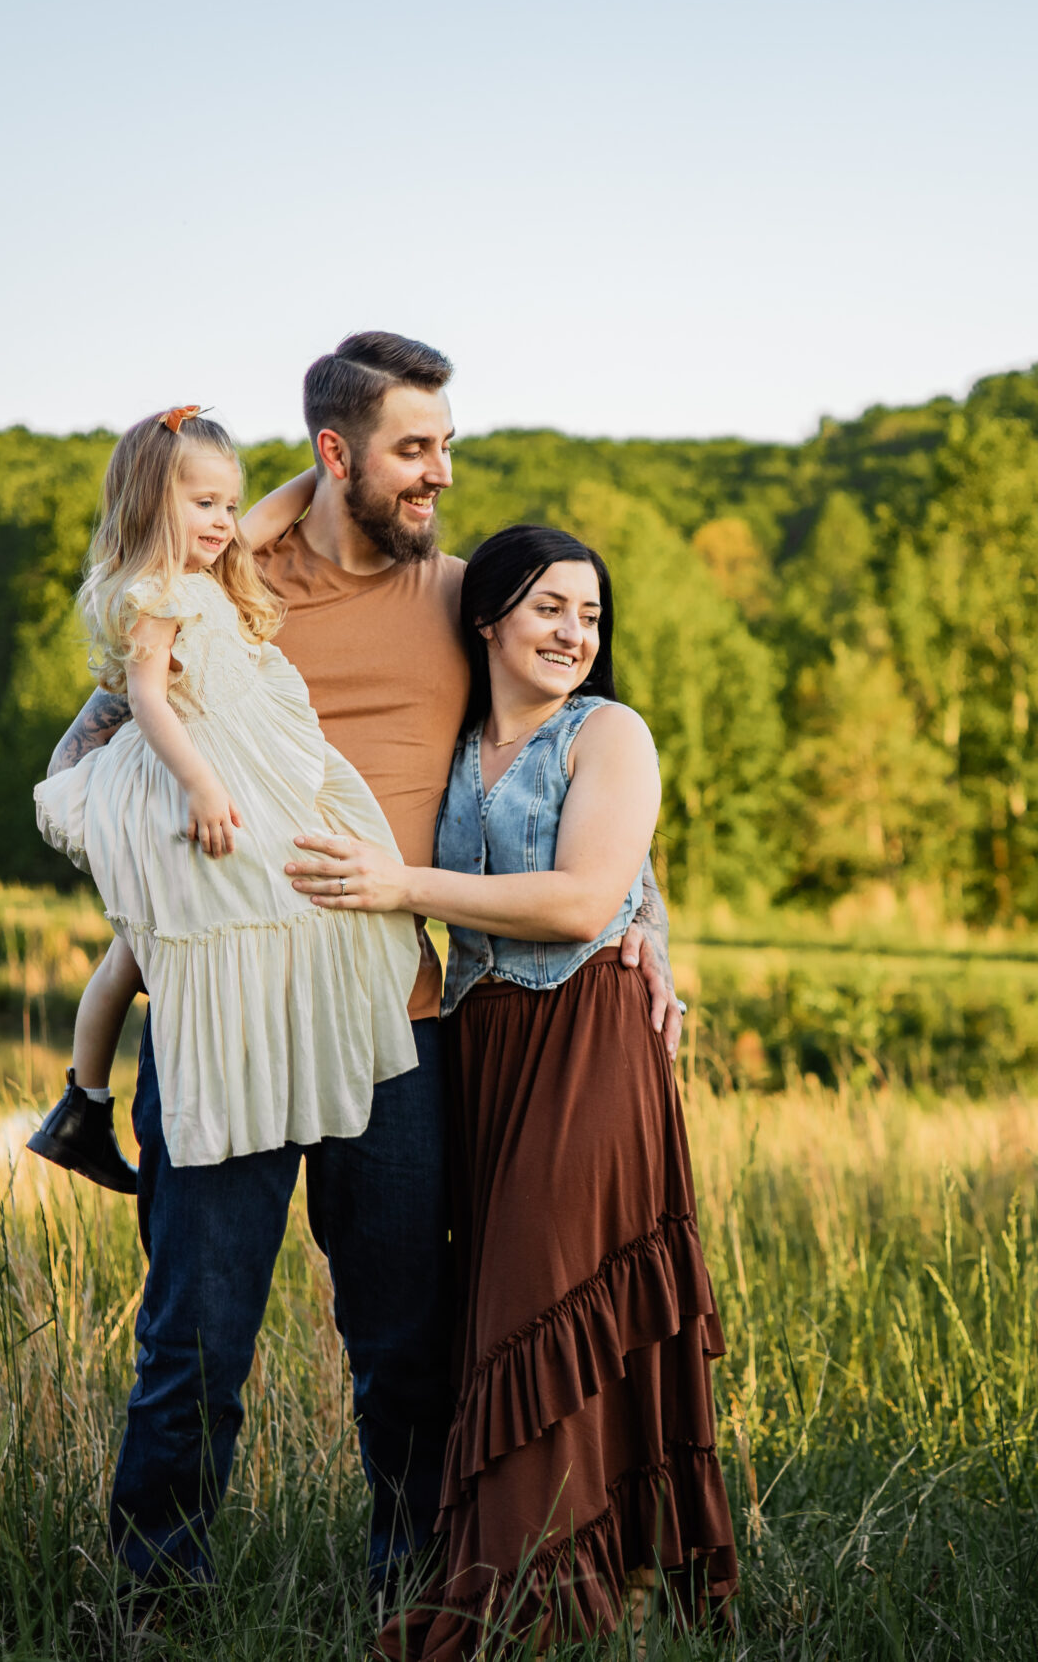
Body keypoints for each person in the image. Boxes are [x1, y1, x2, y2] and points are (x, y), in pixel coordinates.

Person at [41, 335, 683, 1591]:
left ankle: (416, 1596)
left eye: (447, 446)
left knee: (406, 1344)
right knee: (193, 1344)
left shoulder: (460, 597)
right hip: (222, 1023)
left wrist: (640, 919)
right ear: (336, 454)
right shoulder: (231, 576)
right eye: (414, 449)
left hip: (395, 1022)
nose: (441, 474)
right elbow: (100, 740)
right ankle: (155, 1606)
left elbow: (570, 746)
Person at [295, 525, 736, 1657]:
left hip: (589, 1039)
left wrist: (403, 885)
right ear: (486, 617)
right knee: (497, 1314)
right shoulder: (451, 739)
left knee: (546, 1304)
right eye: (549, 608)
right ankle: (580, 1574)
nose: (574, 635)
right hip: (482, 1050)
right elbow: (636, 881)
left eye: (590, 616)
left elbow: (590, 899)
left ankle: (531, 1600)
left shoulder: (609, 732)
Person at [23, 406, 406, 1189]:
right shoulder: (155, 591)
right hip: (188, 774)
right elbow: (148, 701)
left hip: (244, 766)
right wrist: (201, 785)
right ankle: (88, 1101)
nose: (225, 521)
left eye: (228, 504)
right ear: (151, 503)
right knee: (172, 935)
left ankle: (81, 1109)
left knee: (149, 943)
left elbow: (268, 514)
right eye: (204, 504)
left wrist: (335, 466)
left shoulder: (208, 567)